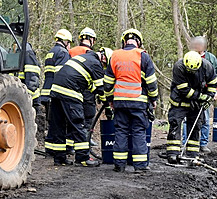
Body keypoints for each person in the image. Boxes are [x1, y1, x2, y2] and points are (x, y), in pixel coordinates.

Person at [103, 29, 158, 173]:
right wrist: (153, 99)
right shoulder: (143, 56)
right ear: (139, 42)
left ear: (124, 41)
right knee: (138, 132)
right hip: (138, 102)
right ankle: (139, 167)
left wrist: (109, 99)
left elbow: (108, 82)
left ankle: (119, 165)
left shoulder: (115, 56)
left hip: (119, 102)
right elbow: (152, 82)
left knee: (120, 131)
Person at [46, 49, 107, 167]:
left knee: (59, 125)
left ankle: (59, 158)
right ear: (104, 59)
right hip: (70, 93)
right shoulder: (95, 63)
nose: (103, 67)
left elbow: (89, 85)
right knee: (78, 124)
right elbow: (101, 89)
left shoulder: (84, 59)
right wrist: (107, 102)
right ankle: (83, 158)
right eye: (104, 65)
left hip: (55, 91)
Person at [165, 51, 217, 163]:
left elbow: (213, 85)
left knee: (195, 127)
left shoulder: (207, 67)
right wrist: (201, 97)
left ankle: (192, 154)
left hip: (197, 103)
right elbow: (183, 89)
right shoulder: (179, 67)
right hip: (180, 101)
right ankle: (173, 154)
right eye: (189, 70)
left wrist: (209, 98)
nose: (191, 72)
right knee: (175, 124)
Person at [187, 36, 217, 153]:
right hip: (191, 94)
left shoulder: (211, 58)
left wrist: (215, 91)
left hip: (206, 92)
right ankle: (185, 142)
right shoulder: (189, 57)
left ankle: (203, 143)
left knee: (205, 119)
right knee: (187, 119)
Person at [42, 29, 72, 154]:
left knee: (52, 121)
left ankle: (49, 147)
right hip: (57, 91)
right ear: (65, 41)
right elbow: (62, 74)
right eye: (69, 42)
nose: (70, 45)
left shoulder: (51, 52)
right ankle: (60, 150)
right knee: (60, 122)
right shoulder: (63, 52)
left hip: (46, 90)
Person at [69, 27, 98, 139]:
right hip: (86, 90)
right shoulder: (90, 53)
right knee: (87, 117)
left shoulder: (70, 51)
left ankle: (72, 143)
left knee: (72, 119)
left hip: (70, 89)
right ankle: (86, 141)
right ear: (91, 40)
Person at [16, 42, 41, 107]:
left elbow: (32, 78)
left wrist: (27, 97)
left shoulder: (27, 53)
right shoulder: (18, 51)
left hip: (30, 98)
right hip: (20, 94)